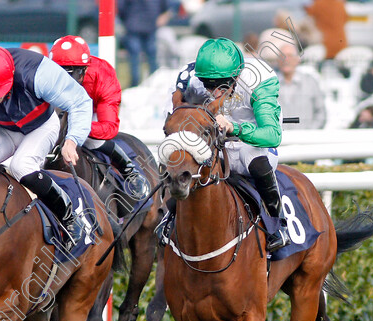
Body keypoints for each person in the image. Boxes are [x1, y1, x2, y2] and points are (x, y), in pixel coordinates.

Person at [0, 45, 93, 248]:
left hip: (40, 126)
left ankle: (68, 215)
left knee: (21, 166)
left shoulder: (38, 72)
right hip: (1, 128)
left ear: (11, 76)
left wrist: (72, 140)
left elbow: (80, 101)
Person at [172, 38, 288, 251]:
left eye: (221, 85)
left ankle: (277, 224)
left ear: (237, 76)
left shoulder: (259, 79)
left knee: (257, 163)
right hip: (213, 142)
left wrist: (235, 128)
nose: (214, 91)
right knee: (181, 166)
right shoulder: (188, 78)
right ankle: (168, 219)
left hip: (251, 141)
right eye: (208, 84)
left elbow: (272, 135)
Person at [49, 35, 148, 198]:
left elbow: (109, 128)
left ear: (84, 71)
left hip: (91, 110)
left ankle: (129, 170)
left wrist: (75, 128)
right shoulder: (43, 74)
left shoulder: (103, 77)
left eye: (70, 74)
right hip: (59, 109)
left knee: (94, 140)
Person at [118, 0, 172, 87]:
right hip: (149, 25)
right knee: (151, 57)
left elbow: (121, 8)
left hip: (133, 25)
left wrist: (126, 21)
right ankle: (154, 83)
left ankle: (135, 84)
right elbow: (165, 8)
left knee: (135, 57)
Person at [276, 42, 326, 130]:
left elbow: (321, 113)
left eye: (290, 56)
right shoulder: (270, 85)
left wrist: (309, 133)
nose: (286, 59)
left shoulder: (310, 82)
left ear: (297, 59)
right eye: (282, 56)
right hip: (279, 140)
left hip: (306, 140)